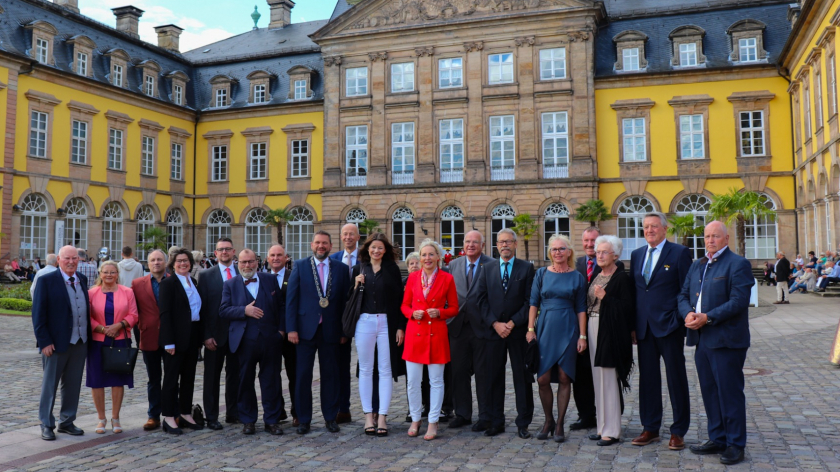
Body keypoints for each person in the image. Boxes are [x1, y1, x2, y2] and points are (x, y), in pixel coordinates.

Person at [679, 221, 754, 465]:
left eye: (715, 236)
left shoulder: (738, 264)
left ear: (726, 238)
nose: (710, 240)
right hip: (702, 340)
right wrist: (687, 314)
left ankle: (735, 443)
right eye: (707, 236)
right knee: (710, 392)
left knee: (729, 393)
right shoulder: (697, 264)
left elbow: (739, 300)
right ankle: (717, 437)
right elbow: (682, 295)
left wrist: (708, 317)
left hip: (727, 340)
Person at [629, 212, 692, 450]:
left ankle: (678, 431)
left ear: (665, 229)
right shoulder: (636, 255)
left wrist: (678, 318)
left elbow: (686, 289)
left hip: (670, 326)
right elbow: (637, 292)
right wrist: (634, 325)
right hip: (644, 328)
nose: (649, 230)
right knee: (648, 380)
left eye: (654, 226)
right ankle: (650, 427)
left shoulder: (679, 253)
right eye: (646, 227)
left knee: (676, 378)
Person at [286, 231, 351, 434]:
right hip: (304, 330)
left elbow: (344, 303)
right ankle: (304, 419)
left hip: (331, 330)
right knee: (303, 375)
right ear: (311, 245)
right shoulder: (301, 265)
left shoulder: (340, 269)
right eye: (318, 243)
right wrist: (291, 328)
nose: (321, 246)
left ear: (331, 246)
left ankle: (330, 417)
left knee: (330, 375)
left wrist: (344, 330)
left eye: (325, 243)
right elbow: (291, 300)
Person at [474, 228, 535, 438]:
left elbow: (530, 301)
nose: (504, 245)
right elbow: (480, 299)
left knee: (522, 377)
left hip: (517, 332)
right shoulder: (487, 268)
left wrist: (511, 323)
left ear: (515, 244)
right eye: (501, 242)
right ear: (496, 245)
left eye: (508, 241)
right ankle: (495, 420)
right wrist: (495, 323)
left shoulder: (526, 268)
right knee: (493, 378)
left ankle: (523, 422)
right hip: (494, 333)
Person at [527, 234, 587, 443]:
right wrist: (530, 329)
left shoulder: (577, 276)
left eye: (562, 249)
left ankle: (560, 423)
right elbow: (534, 302)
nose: (558, 252)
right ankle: (548, 420)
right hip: (546, 327)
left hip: (569, 327)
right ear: (549, 252)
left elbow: (581, 308)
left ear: (569, 252)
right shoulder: (541, 273)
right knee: (542, 378)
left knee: (564, 376)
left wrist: (582, 335)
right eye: (554, 249)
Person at [219, 249, 285, 435]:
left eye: (250, 262)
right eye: (243, 262)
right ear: (236, 263)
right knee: (245, 381)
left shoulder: (269, 280)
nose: (247, 266)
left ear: (257, 262)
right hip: (243, 341)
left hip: (269, 339)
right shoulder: (230, 284)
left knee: (271, 381)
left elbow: (281, 306)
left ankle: (272, 420)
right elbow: (223, 310)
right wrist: (243, 311)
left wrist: (280, 331)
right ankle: (248, 420)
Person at [402, 239, 459, 441]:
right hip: (415, 334)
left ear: (438, 257)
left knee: (436, 381)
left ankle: (433, 421)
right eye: (424, 255)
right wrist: (412, 313)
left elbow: (454, 308)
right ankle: (416, 419)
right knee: (413, 382)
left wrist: (440, 312)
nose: (427, 258)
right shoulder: (413, 278)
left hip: (436, 333)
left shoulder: (447, 279)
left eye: (431, 254)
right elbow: (404, 305)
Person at [32, 246, 90, 441]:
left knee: (73, 385)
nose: (71, 261)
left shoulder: (82, 279)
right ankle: (47, 423)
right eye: (67, 258)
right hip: (55, 344)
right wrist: (44, 342)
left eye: (75, 258)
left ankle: (67, 421)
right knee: (50, 385)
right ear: (58, 259)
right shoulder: (46, 281)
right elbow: (38, 315)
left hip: (80, 341)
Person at [351, 233, 406, 436]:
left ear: (385, 250)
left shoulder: (392, 269)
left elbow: (400, 299)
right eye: (373, 247)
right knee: (365, 370)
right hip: (364, 321)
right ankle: (368, 416)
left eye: (380, 248)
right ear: (367, 249)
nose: (376, 251)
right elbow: (349, 299)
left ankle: (382, 416)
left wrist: (401, 326)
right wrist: (355, 284)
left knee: (385, 369)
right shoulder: (359, 268)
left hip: (386, 322)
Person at [572, 226, 626, 431]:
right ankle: (585, 415)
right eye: (586, 241)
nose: (590, 246)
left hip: (604, 327)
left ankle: (612, 416)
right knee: (583, 374)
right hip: (581, 327)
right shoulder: (576, 263)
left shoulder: (615, 267)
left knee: (607, 372)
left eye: (593, 242)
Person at [585, 236, 635, 446]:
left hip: (610, 331)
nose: (600, 255)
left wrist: (606, 297)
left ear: (616, 255)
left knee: (608, 377)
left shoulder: (621, 278)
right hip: (593, 326)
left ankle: (612, 430)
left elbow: (627, 308)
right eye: (598, 252)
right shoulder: (597, 274)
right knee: (597, 378)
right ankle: (602, 426)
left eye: (605, 252)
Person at [446, 230, 493, 431]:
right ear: (462, 244)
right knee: (458, 372)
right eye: (467, 241)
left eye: (475, 242)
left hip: (481, 326)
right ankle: (463, 413)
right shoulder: (453, 265)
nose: (471, 245)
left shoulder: (490, 265)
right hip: (457, 326)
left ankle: (485, 416)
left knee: (483, 373)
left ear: (482, 245)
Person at [87, 260, 139, 434]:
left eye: (112, 272)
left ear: (118, 274)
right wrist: (102, 329)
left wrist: (119, 325)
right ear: (100, 274)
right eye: (105, 272)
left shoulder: (128, 292)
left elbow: (134, 314)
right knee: (97, 379)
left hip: (120, 338)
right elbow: (86, 316)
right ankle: (101, 418)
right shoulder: (91, 293)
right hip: (97, 340)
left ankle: (115, 417)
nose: (109, 275)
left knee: (117, 380)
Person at [158, 248, 203, 435]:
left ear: (191, 263)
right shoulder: (168, 283)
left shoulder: (192, 281)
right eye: (179, 261)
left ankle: (185, 412)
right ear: (172, 263)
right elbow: (165, 314)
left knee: (188, 377)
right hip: (174, 338)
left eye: (186, 261)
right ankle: (169, 416)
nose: (183, 263)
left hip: (192, 336)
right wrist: (168, 342)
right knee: (171, 378)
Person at [197, 237, 240, 430]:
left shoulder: (242, 272)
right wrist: (206, 335)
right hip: (215, 336)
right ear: (215, 253)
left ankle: (233, 412)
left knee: (235, 375)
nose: (224, 252)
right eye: (220, 250)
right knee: (212, 378)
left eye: (228, 249)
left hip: (238, 335)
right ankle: (212, 416)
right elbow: (202, 308)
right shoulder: (206, 276)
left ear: (233, 252)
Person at [132, 249, 167, 431]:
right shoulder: (137, 284)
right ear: (148, 263)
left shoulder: (174, 281)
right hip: (149, 336)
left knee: (171, 378)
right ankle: (153, 415)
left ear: (165, 262)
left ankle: (171, 413)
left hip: (170, 338)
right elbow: (133, 312)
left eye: (159, 259)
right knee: (153, 378)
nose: (156, 263)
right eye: (153, 260)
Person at [329, 223, 360, 424]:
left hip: (365, 315)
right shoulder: (333, 259)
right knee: (339, 365)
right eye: (345, 234)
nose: (348, 237)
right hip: (341, 319)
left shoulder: (366, 258)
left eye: (352, 234)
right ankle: (343, 408)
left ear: (358, 237)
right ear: (341, 237)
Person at [267, 244, 297, 426]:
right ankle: (278, 411)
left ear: (286, 258)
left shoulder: (293, 276)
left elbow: (293, 305)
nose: (276, 258)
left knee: (295, 374)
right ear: (267, 258)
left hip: (291, 335)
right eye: (273, 255)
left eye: (280, 255)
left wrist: (287, 328)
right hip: (270, 335)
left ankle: (297, 412)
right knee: (272, 374)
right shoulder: (261, 278)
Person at [402, 252, 430, 422]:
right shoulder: (405, 282)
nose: (414, 266)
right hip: (412, 331)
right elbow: (403, 306)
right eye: (410, 264)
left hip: (430, 332)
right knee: (412, 376)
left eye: (416, 263)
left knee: (430, 376)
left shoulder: (430, 281)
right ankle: (414, 409)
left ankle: (430, 406)